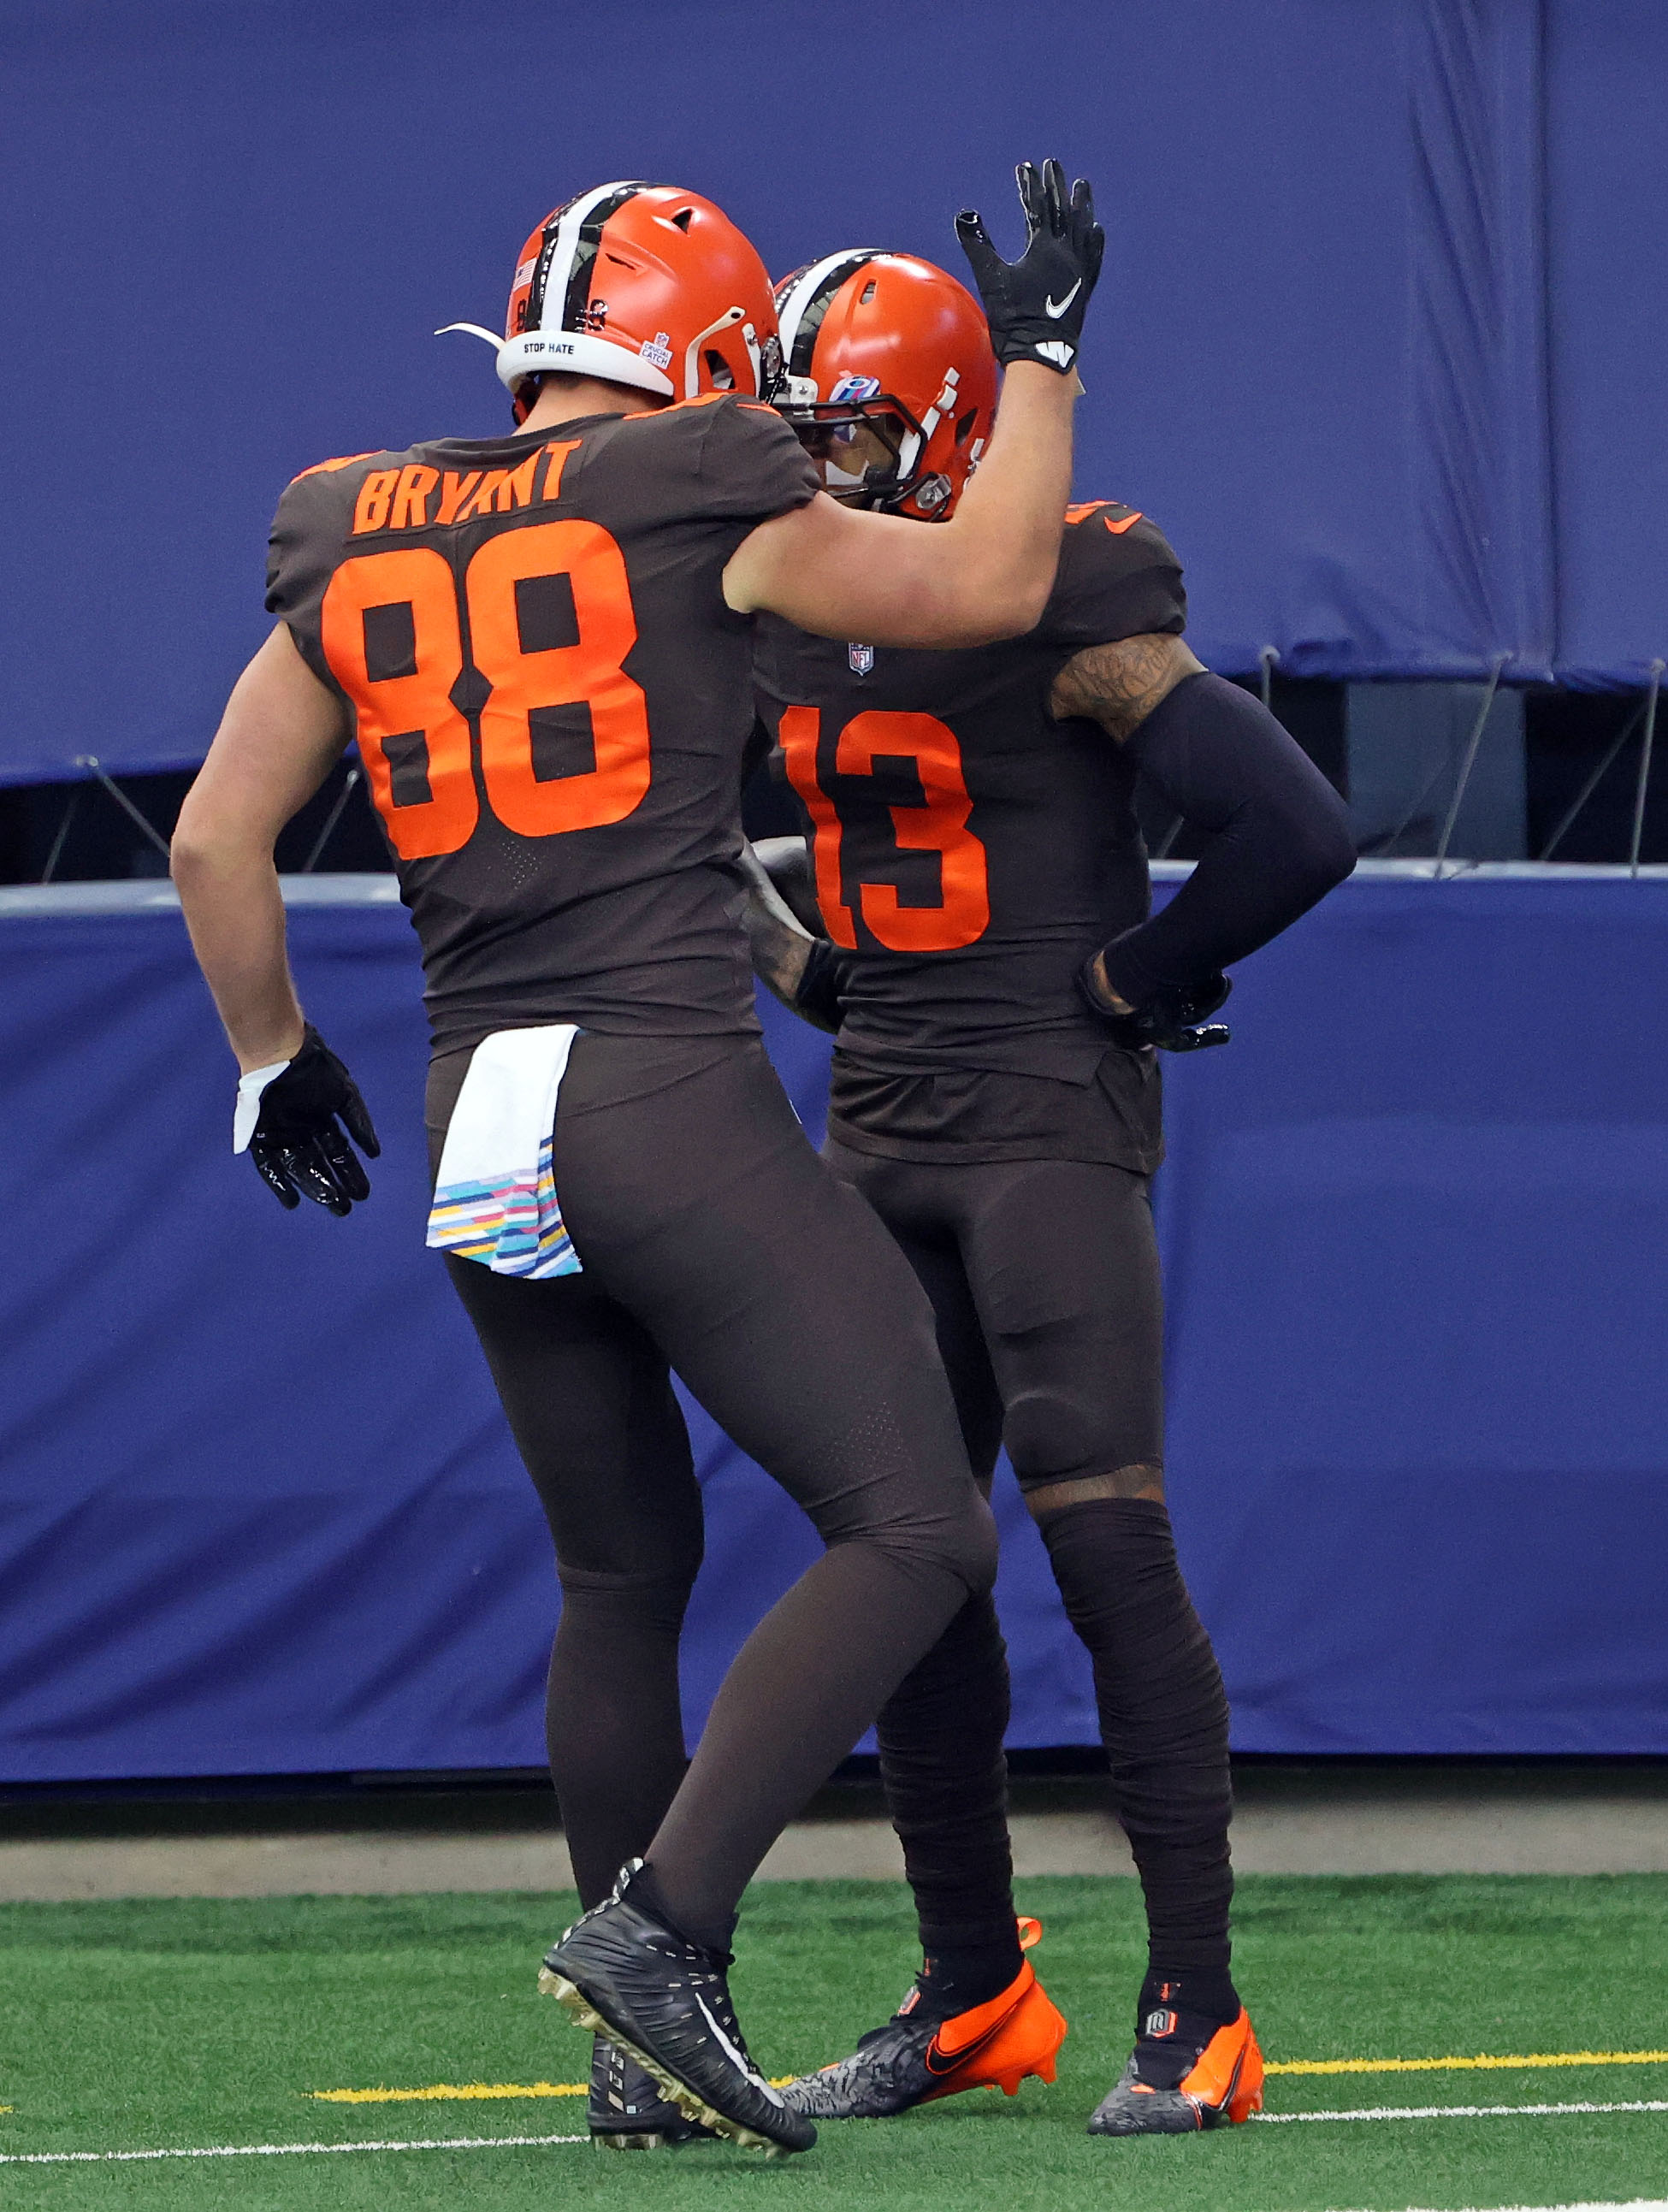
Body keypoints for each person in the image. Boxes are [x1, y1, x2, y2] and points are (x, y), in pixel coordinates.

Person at [169, 169, 1104, 2156]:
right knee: (920, 1525)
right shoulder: (700, 481)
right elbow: (1000, 583)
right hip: (652, 1094)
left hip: (472, 1113)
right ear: (695, 361)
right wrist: (1039, 353)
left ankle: (636, 2063)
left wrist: (273, 1064)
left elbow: (211, 843)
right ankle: (663, 1935)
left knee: (617, 1572)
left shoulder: (356, 519)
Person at [744, 247, 1356, 2138]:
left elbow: (1296, 827)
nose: (814, 462)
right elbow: (716, 860)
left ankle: (1200, 2009)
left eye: (845, 426)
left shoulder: (1066, 585)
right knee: (910, 1568)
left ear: (936, 428)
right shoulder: (777, 591)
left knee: (1105, 1551)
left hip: (1043, 1135)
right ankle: (972, 1989)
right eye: (797, 429)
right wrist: (822, 973)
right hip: (883, 1122)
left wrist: (1130, 981)